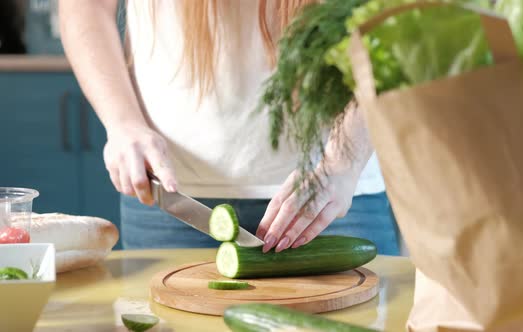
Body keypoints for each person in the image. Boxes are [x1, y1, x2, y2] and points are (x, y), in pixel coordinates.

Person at [58, 0, 400, 255]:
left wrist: (341, 163)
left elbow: (390, 20)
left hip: (334, 193)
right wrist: (123, 123)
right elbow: (84, 8)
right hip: (174, 195)